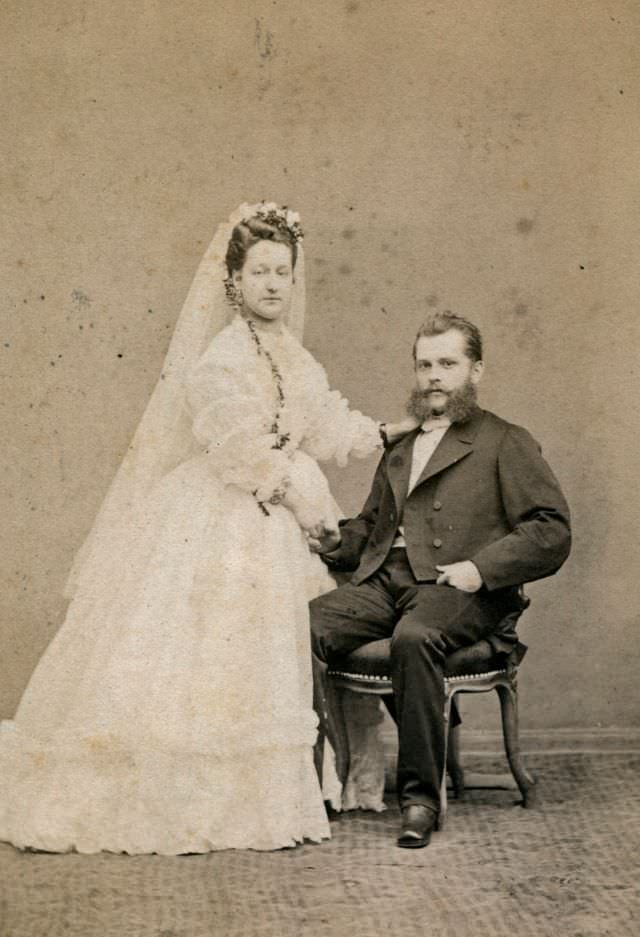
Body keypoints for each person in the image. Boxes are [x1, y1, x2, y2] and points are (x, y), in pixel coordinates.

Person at [0, 202, 417, 854]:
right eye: (259, 272)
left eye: (283, 271)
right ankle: (204, 797)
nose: (274, 284)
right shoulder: (220, 360)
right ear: (233, 282)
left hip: (286, 522)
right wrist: (307, 510)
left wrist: (390, 431)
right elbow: (243, 453)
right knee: (210, 656)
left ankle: (298, 784)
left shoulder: (294, 356)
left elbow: (327, 424)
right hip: (229, 519)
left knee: (283, 646)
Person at [309, 310, 572, 848]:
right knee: (298, 626)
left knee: (416, 637)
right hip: (387, 581)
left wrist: (481, 569)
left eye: (448, 364)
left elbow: (551, 530)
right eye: (425, 364)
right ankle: (312, 782)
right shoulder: (402, 444)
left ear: (475, 371)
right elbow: (371, 523)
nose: (434, 376)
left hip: (461, 589)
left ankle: (420, 799)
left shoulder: (505, 440)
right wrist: (339, 543)